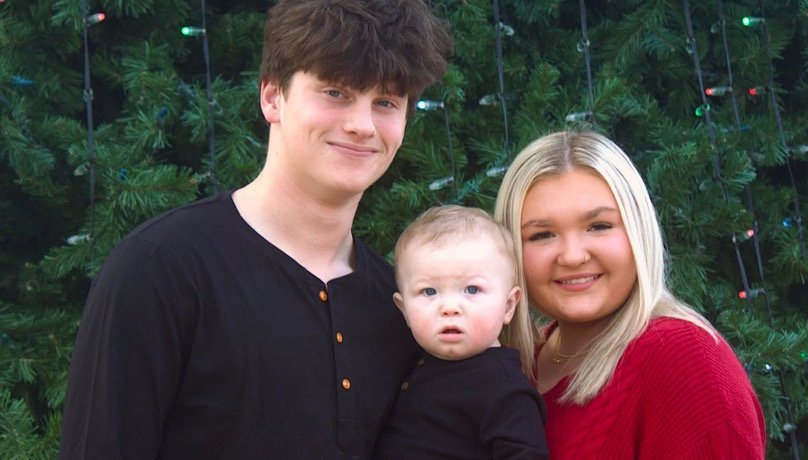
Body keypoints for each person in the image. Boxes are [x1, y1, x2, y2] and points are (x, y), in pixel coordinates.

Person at [59, 1, 452, 458]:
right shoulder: (161, 267)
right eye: (335, 92)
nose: (362, 126)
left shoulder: (400, 304)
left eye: (385, 102)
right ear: (271, 96)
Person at [494, 131, 767, 459]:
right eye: (542, 235)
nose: (573, 256)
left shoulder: (685, 360)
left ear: (638, 231)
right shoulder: (512, 366)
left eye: (599, 226)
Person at [373, 205, 548, 459]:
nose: (450, 307)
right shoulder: (408, 363)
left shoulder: (504, 389)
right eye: (429, 292)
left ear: (509, 305)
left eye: (472, 290)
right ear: (404, 310)